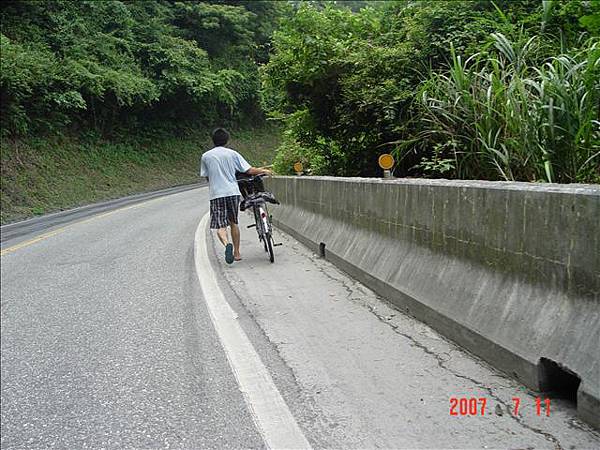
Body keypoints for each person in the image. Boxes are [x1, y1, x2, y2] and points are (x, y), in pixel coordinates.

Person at [200, 128, 272, 264]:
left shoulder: (206, 156)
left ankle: (227, 244)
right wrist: (264, 170)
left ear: (213, 140)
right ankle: (237, 253)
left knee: (221, 227)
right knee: (234, 223)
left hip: (216, 194)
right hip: (232, 192)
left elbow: (207, 177)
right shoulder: (233, 154)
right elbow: (248, 170)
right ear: (226, 140)